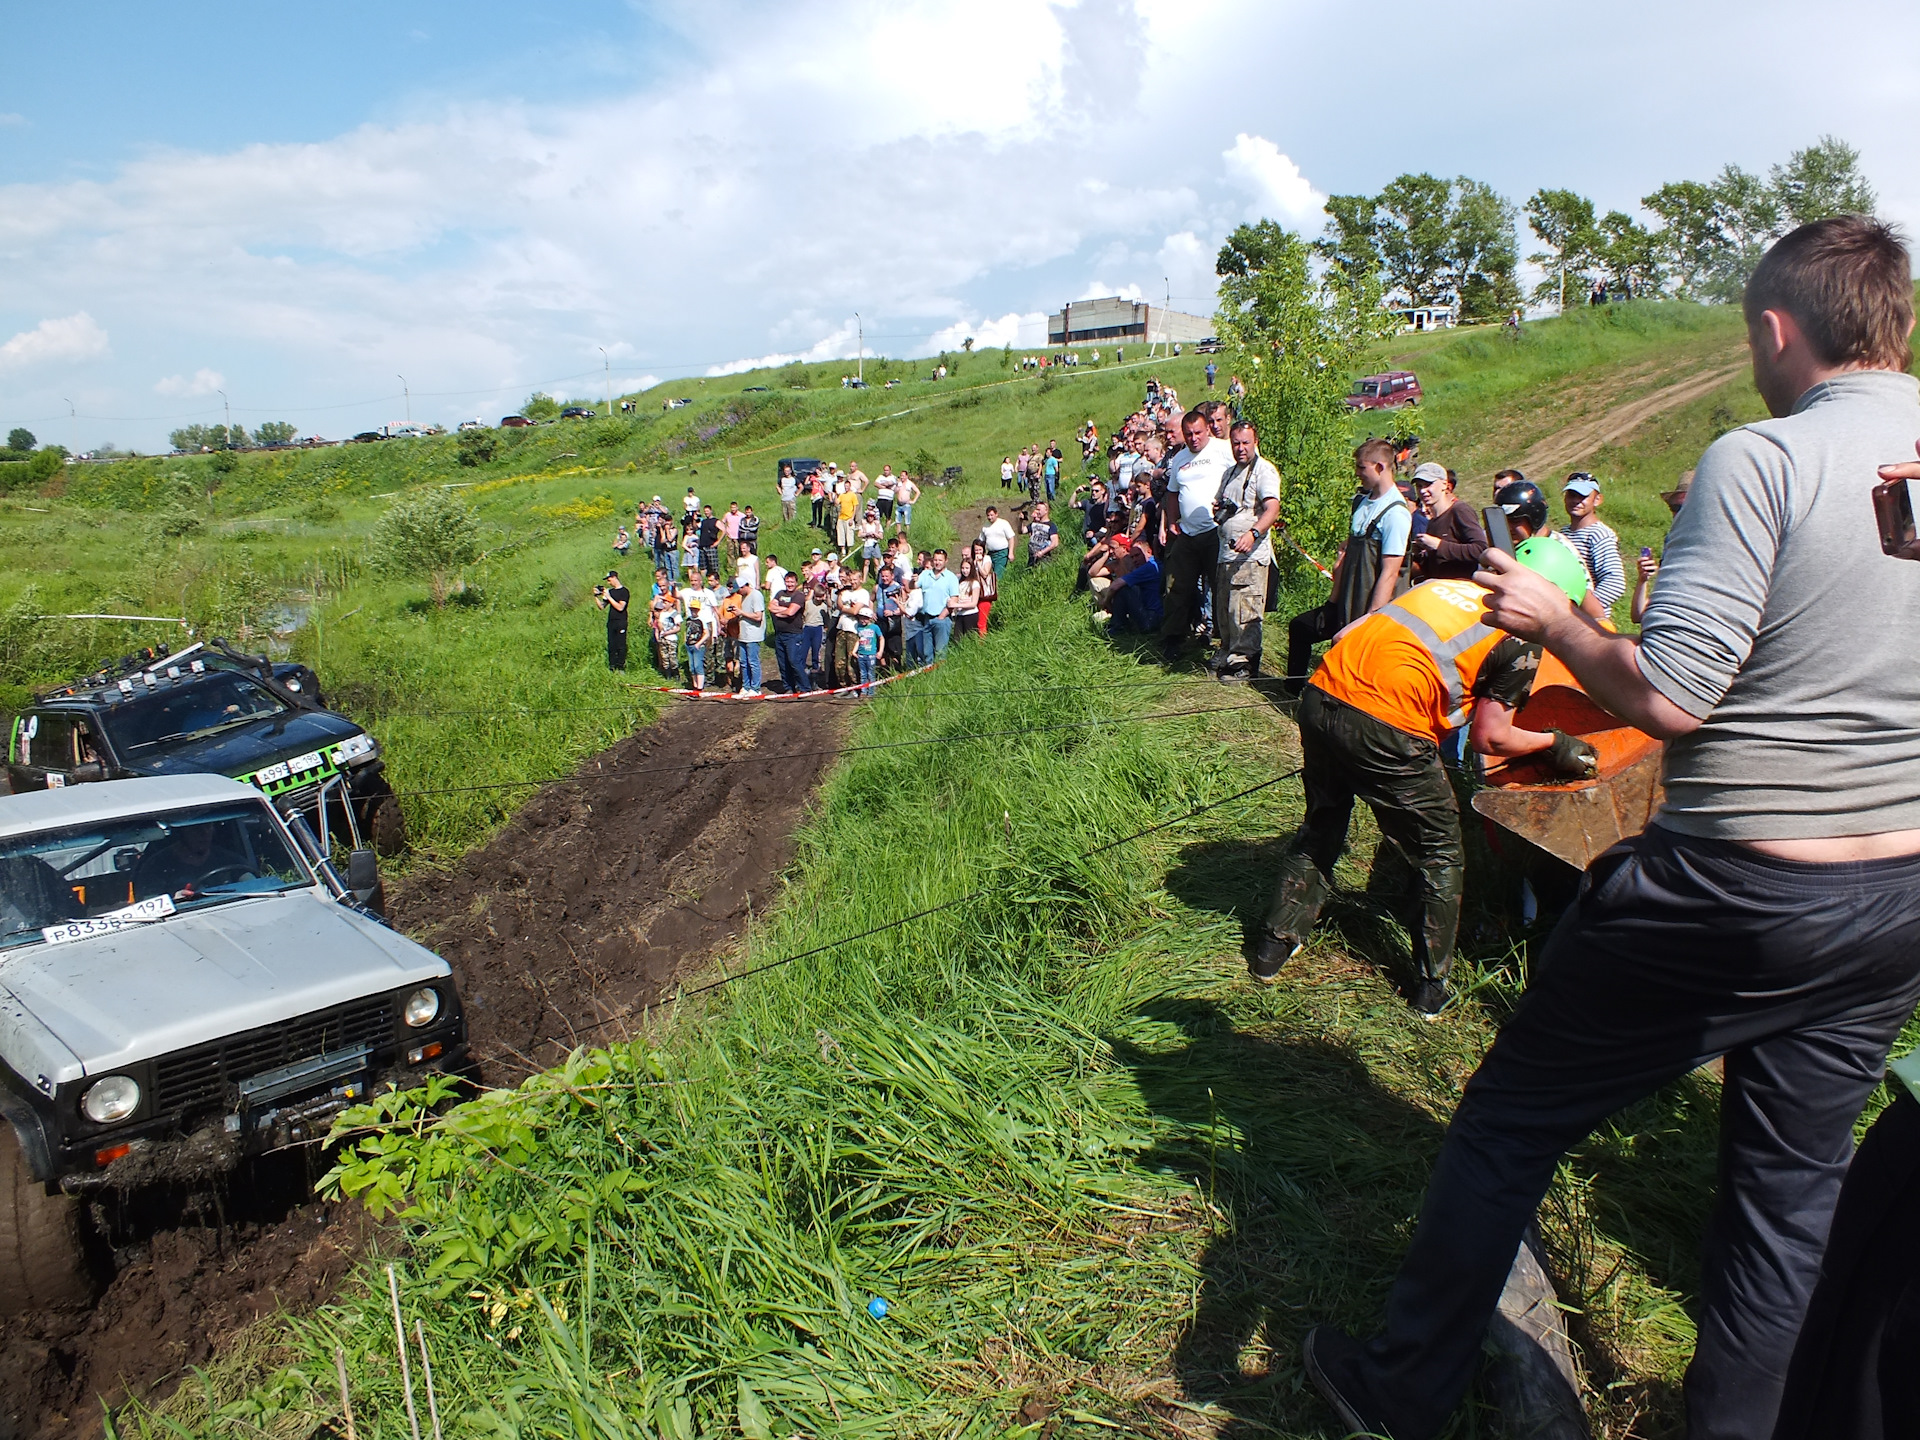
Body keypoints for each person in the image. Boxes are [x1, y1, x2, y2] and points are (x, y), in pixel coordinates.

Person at [1301, 215, 1920, 1440]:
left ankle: (1403, 1388)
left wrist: (1556, 621)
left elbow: (1674, 694)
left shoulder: (1764, 458)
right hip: (1898, 896)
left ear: (1777, 326)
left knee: (1510, 1119)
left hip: (1744, 882)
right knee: (1785, 1202)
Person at [1255, 537, 1598, 999]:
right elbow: (1491, 737)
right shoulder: (1518, 638)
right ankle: (1431, 986)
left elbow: (1342, 636)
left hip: (1321, 696)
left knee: (1323, 821)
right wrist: (1554, 744)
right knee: (1439, 849)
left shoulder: (1439, 587)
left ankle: (1273, 948)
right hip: (1389, 727)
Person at [1283, 439, 1411, 693]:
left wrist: (1372, 619)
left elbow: (1390, 572)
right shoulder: (1363, 503)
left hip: (1367, 609)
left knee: (1348, 666)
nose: (1357, 472)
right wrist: (1333, 601)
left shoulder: (1396, 513)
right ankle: (1290, 695)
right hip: (1344, 601)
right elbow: (1348, 552)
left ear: (1380, 466)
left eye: (1361, 467)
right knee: (1301, 627)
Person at [1158, 408, 1235, 662]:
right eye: (1188, 434)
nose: (1193, 439)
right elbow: (1171, 492)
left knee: (1221, 587)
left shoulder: (1223, 450)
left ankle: (1227, 640)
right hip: (1187, 534)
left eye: (1198, 433)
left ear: (1207, 430)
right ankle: (1173, 639)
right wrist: (1171, 521)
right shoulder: (1180, 459)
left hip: (1216, 532)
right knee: (1176, 586)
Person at [1211, 419, 1281, 682]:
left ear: (1256, 442)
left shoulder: (1264, 471)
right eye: (1236, 443)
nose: (1240, 448)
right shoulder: (1229, 473)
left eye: (1245, 443)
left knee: (1245, 610)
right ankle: (1228, 652)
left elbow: (1272, 508)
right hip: (1226, 555)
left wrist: (1253, 534)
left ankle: (1244, 664)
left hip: (1251, 558)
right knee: (1226, 609)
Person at [1486, 478, 1609, 621]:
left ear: (1534, 518)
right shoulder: (1499, 545)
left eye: (1515, 521)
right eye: (1503, 521)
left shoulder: (1559, 548)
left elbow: (1587, 601)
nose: (1507, 527)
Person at [1556, 472, 1627, 612]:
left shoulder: (1599, 534)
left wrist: (1584, 609)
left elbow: (1615, 582)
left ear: (1597, 500)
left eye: (1583, 496)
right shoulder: (1564, 533)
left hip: (1589, 623)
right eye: (1571, 495)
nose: (1576, 501)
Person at [1408, 463, 1489, 581]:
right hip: (1438, 590)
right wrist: (1420, 554)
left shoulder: (1460, 510)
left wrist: (1439, 545)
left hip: (1461, 590)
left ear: (1444, 485)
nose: (1423, 491)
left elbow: (1480, 549)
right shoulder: (1432, 521)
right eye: (1419, 486)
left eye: (1428, 485)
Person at [1631, 471, 1692, 624]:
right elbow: (1638, 616)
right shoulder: (1671, 541)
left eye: (1687, 507)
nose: (1679, 514)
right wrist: (1643, 580)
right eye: (1675, 507)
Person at [1105, 535, 1163, 635]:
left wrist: (1105, 601)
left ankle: (1118, 627)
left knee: (1123, 589)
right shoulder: (1157, 564)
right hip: (1158, 617)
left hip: (1151, 619)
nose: (1135, 560)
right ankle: (1120, 623)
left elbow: (1116, 585)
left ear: (1149, 552)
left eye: (1137, 555)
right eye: (1132, 557)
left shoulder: (1148, 568)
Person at [916, 549, 960, 659]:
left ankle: (941, 675)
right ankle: (929, 675)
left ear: (946, 561)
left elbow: (954, 599)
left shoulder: (951, 578)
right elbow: (911, 587)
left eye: (940, 560)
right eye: (935, 560)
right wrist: (913, 581)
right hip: (927, 618)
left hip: (942, 619)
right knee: (927, 653)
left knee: (940, 652)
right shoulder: (926, 574)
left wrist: (941, 617)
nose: (937, 562)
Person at [769, 572, 809, 694]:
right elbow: (771, 607)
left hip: (793, 634)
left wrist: (782, 610)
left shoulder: (799, 596)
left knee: (794, 661)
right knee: (783, 663)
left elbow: (791, 612)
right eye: (787, 581)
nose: (789, 584)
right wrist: (785, 610)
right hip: (779, 634)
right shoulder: (780, 593)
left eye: (792, 582)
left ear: (796, 583)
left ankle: (804, 687)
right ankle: (788, 687)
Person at [735, 577, 765, 696]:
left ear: (744, 586)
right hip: (743, 634)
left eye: (739, 590)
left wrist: (741, 613)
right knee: (743, 662)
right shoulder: (743, 597)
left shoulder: (756, 596)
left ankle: (756, 688)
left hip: (753, 634)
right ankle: (746, 686)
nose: (738, 592)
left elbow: (758, 616)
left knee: (753, 661)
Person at [595, 570, 630, 670]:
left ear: (614, 577)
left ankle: (620, 666)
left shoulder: (624, 591)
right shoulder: (610, 591)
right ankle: (612, 666)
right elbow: (602, 606)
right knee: (612, 645)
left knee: (621, 645)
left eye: (609, 580)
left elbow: (620, 607)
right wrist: (596, 596)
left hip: (621, 621)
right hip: (611, 621)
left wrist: (609, 597)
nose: (608, 582)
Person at [800, 580, 828, 684]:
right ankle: (801, 671)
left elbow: (826, 619)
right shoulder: (808, 604)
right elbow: (803, 615)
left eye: (821, 597)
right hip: (807, 628)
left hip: (817, 629)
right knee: (803, 650)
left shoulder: (824, 607)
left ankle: (815, 671)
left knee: (816, 651)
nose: (818, 599)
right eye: (817, 596)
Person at [979, 506, 1016, 577]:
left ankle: (998, 587)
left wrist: (1011, 553)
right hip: (990, 554)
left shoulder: (1003, 523)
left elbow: (1011, 538)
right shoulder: (985, 526)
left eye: (991, 515)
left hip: (1002, 553)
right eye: (988, 515)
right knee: (987, 573)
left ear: (996, 514)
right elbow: (981, 541)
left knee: (997, 575)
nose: (990, 517)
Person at [853, 608, 882, 696]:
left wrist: (880, 651)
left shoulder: (874, 627)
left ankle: (871, 693)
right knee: (863, 674)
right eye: (861, 618)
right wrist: (854, 651)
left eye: (865, 618)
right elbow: (858, 640)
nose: (863, 620)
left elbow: (881, 638)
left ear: (870, 618)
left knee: (871, 674)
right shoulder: (859, 627)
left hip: (871, 655)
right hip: (861, 655)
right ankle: (863, 692)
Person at [970, 540, 997, 635]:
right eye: (976, 550)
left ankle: (982, 643)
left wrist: (978, 564)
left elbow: (985, 574)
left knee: (982, 622)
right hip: (973, 593)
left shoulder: (987, 559)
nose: (978, 552)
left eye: (980, 550)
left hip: (984, 594)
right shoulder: (971, 560)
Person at [953, 557, 982, 635]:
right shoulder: (960, 582)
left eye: (967, 568)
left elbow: (974, 603)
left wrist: (958, 605)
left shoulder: (975, 583)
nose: (964, 570)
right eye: (963, 568)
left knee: (970, 638)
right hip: (960, 614)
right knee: (957, 639)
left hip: (971, 614)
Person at [697, 505, 721, 578]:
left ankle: (715, 579)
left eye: (707, 511)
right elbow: (695, 527)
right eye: (705, 511)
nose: (706, 512)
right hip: (702, 546)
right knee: (703, 566)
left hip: (711, 545)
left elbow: (724, 530)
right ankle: (703, 580)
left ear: (711, 511)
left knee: (713, 565)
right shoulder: (703, 521)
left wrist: (718, 542)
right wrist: (695, 519)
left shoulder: (716, 521)